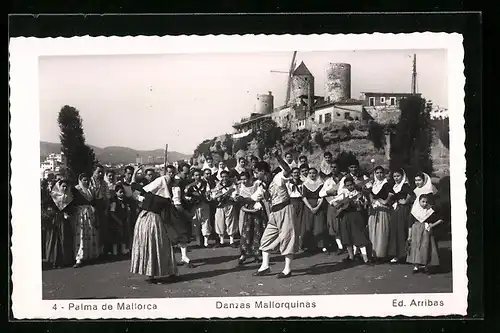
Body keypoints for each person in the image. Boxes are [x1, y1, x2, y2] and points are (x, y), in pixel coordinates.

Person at [253, 149, 296, 279]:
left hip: (285, 209)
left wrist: (278, 157)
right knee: (266, 239)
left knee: (287, 238)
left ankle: (287, 269)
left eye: (256, 172)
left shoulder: (277, 178)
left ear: (262, 172)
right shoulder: (262, 185)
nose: (254, 174)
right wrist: (239, 199)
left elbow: (287, 170)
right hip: (274, 214)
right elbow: (253, 198)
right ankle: (265, 266)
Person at [130, 174, 179, 284]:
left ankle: (150, 273)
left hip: (142, 219)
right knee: (159, 245)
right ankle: (168, 271)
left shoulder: (148, 193)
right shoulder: (165, 199)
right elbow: (167, 216)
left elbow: (134, 187)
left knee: (146, 245)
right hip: (154, 221)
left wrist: (135, 175)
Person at [334, 176, 372, 265]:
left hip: (356, 216)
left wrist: (361, 202)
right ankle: (351, 257)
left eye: (351, 185)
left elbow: (365, 204)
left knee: (359, 236)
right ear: (345, 186)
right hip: (346, 216)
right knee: (347, 237)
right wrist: (340, 206)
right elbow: (334, 202)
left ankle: (365, 259)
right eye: (348, 185)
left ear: (354, 184)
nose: (350, 187)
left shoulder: (358, 193)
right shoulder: (343, 194)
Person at [407, 193, 442, 274]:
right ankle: (416, 266)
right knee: (416, 248)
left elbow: (440, 219)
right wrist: (409, 236)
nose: (425, 204)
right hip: (415, 231)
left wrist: (432, 225)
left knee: (425, 247)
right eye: (423, 201)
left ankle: (426, 266)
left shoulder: (430, 211)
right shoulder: (414, 211)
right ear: (418, 202)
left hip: (426, 231)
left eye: (426, 202)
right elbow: (410, 224)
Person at [236, 171, 266, 265]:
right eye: (241, 179)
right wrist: (248, 210)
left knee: (257, 231)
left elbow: (260, 197)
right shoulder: (240, 187)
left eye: (245, 179)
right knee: (246, 233)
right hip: (247, 211)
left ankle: (256, 254)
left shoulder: (256, 185)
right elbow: (240, 203)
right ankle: (243, 254)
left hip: (257, 209)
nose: (243, 181)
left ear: (249, 178)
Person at [45, 179, 75, 268]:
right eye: (63, 186)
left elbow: (71, 209)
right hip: (55, 221)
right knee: (55, 240)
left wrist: (68, 213)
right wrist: (53, 212)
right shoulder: (53, 196)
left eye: (66, 186)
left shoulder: (69, 197)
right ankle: (54, 261)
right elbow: (48, 207)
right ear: (59, 187)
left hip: (65, 222)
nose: (65, 188)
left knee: (65, 239)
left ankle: (64, 260)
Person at [72, 174, 99, 267]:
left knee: (90, 233)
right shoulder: (76, 190)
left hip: (90, 214)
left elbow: (94, 202)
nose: (86, 182)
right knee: (81, 234)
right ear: (80, 180)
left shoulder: (90, 190)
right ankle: (79, 258)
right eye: (84, 180)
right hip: (80, 213)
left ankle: (89, 255)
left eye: (87, 180)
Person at [367, 166, 393, 262]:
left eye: (381, 172)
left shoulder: (386, 184)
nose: (379, 174)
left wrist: (384, 201)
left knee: (382, 232)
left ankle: (382, 255)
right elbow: (370, 194)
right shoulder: (374, 184)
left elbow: (391, 195)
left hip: (383, 211)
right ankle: (374, 254)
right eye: (377, 173)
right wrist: (372, 200)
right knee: (373, 232)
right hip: (374, 212)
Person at [387, 168, 413, 263]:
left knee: (402, 230)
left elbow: (410, 194)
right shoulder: (395, 186)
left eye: (398, 176)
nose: (396, 178)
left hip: (403, 210)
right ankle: (397, 254)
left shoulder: (405, 185)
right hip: (396, 210)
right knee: (395, 231)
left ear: (402, 176)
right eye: (394, 176)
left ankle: (405, 254)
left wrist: (405, 201)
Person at [319, 161, 345, 254]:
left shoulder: (344, 179)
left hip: (344, 204)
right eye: (332, 167)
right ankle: (340, 246)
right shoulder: (328, 181)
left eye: (335, 167)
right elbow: (321, 193)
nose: (333, 169)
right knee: (334, 226)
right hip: (332, 206)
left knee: (344, 225)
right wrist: (329, 193)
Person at [302, 167, 328, 254]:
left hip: (319, 206)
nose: (312, 175)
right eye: (310, 173)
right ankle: (310, 246)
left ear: (316, 174)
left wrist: (317, 207)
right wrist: (310, 207)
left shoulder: (321, 184)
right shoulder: (305, 184)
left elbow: (322, 197)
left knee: (319, 226)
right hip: (308, 206)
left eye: (314, 173)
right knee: (309, 226)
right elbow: (304, 197)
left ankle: (321, 245)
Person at [184, 168, 212, 248]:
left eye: (199, 175)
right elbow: (186, 195)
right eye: (196, 175)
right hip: (195, 206)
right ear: (193, 176)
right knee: (195, 222)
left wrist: (203, 196)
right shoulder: (190, 185)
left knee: (206, 221)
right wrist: (191, 199)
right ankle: (198, 241)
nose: (198, 176)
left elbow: (208, 192)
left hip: (204, 204)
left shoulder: (205, 183)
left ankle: (206, 242)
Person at [211, 170, 238, 247]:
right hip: (220, 205)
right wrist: (217, 197)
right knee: (219, 221)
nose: (224, 178)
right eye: (222, 177)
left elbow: (235, 194)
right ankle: (221, 240)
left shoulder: (232, 185)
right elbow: (213, 194)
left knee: (230, 221)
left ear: (228, 177)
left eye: (226, 176)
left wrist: (229, 196)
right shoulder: (218, 185)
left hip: (229, 204)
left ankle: (231, 241)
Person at [91, 164, 110, 256]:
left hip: (102, 206)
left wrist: (106, 208)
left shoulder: (104, 183)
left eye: (102, 172)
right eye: (98, 172)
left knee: (102, 229)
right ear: (94, 171)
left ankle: (102, 251)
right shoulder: (89, 182)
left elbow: (107, 197)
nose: (100, 174)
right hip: (92, 206)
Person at [286, 167, 305, 252]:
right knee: (292, 224)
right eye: (294, 173)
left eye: (297, 173)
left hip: (300, 202)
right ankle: (292, 245)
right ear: (291, 174)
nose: (296, 174)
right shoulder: (288, 183)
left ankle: (300, 244)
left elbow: (303, 194)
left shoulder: (302, 183)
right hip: (292, 202)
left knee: (300, 223)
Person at [109, 184, 132, 256]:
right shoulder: (114, 201)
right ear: (116, 192)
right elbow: (112, 212)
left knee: (124, 235)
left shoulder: (125, 201)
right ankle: (114, 251)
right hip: (116, 222)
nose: (122, 194)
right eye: (120, 192)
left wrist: (127, 218)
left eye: (123, 192)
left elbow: (128, 210)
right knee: (116, 236)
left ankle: (123, 250)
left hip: (124, 221)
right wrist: (118, 221)